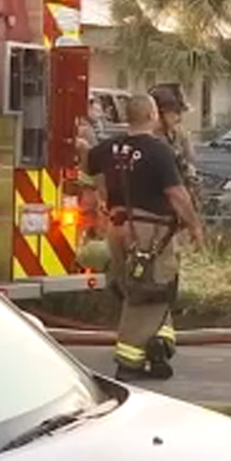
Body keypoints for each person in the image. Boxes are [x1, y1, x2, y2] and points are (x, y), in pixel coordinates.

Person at [83, 93, 203, 381]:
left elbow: (88, 169)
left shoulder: (108, 148)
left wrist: (101, 198)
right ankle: (129, 361)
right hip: (150, 234)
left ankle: (159, 345)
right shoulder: (158, 151)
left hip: (117, 229)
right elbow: (177, 194)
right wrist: (195, 226)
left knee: (135, 286)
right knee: (152, 289)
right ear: (152, 115)